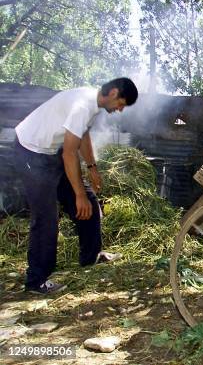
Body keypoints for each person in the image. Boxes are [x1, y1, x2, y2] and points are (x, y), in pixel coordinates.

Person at [13, 77, 138, 294]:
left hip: (51, 152)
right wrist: (77, 193)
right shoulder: (82, 105)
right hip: (30, 151)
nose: (119, 110)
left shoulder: (93, 104)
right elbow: (70, 153)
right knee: (46, 217)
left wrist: (92, 168)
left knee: (89, 201)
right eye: (121, 104)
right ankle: (36, 280)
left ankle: (91, 257)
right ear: (114, 92)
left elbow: (83, 136)